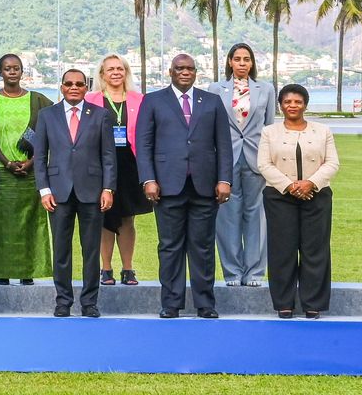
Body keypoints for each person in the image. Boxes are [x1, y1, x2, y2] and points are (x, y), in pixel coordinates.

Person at [137, 53, 232, 319]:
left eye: (190, 68)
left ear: (196, 72)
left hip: (205, 186)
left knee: (203, 247)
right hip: (167, 186)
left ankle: (205, 304)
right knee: (170, 246)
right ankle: (171, 303)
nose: (185, 72)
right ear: (170, 71)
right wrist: (148, 179)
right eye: (180, 68)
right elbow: (144, 144)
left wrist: (224, 180)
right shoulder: (153, 101)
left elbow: (224, 144)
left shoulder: (211, 101)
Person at [33, 69, 115, 317]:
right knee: (61, 250)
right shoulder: (47, 115)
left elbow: (108, 156)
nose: (74, 88)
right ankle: (63, 301)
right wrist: (44, 190)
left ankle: (89, 302)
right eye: (69, 84)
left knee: (91, 251)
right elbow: (40, 156)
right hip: (58, 192)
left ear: (86, 88)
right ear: (62, 87)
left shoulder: (100, 115)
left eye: (79, 84)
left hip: (92, 191)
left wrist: (108, 188)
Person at [258, 84, 339, 319]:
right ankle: (284, 303)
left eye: (297, 102)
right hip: (279, 197)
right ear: (280, 105)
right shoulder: (269, 132)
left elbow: (332, 163)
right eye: (287, 102)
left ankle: (313, 303)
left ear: (305, 105)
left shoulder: (322, 131)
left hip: (317, 196)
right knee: (282, 250)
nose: (292, 105)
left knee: (315, 250)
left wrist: (310, 183)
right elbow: (264, 164)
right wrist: (290, 186)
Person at [207, 42, 275, 288]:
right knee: (227, 216)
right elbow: (211, 126)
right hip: (226, 158)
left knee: (256, 215)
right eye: (237, 59)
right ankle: (232, 271)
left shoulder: (265, 89)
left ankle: (255, 272)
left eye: (247, 59)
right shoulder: (216, 89)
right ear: (230, 62)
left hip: (256, 157)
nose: (242, 63)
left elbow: (269, 126)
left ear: (252, 63)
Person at [85, 54, 149, 286]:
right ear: (102, 74)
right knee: (105, 217)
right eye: (110, 69)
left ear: (126, 72)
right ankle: (106, 269)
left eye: (119, 68)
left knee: (127, 219)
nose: (115, 72)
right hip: (100, 165)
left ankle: (128, 269)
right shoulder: (90, 99)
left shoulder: (139, 100)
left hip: (130, 164)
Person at [0, 54, 53, 286]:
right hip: (1, 173)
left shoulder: (38, 100)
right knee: (2, 226)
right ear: (1, 72)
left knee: (31, 224)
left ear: (22, 71)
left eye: (16, 68)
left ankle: (28, 272)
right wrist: (7, 163)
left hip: (31, 173)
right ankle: (3, 273)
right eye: (7, 68)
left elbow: (49, 133)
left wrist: (32, 161)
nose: (12, 72)